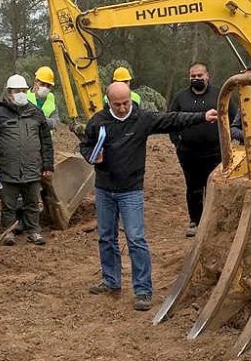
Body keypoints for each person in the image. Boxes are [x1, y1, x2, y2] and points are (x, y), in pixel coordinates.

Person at [81, 81, 218, 311]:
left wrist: (203, 116)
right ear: (109, 102)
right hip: (104, 188)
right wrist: (91, 156)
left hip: (131, 190)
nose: (123, 108)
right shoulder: (98, 121)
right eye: (117, 104)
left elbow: (173, 119)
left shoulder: (141, 119)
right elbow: (85, 145)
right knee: (106, 237)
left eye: (126, 103)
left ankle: (143, 290)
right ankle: (111, 281)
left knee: (135, 239)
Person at [0, 75, 54, 246]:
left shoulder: (36, 112)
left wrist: (48, 165)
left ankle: (33, 231)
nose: (21, 94)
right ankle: (8, 232)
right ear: (9, 92)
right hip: (7, 169)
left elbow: (46, 141)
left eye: (23, 90)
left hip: (32, 167)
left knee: (32, 202)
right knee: (9, 204)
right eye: (17, 91)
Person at [168, 62, 234, 237]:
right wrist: (177, 142)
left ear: (207, 76)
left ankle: (213, 222)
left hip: (215, 151)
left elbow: (232, 117)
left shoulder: (220, 94)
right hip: (189, 152)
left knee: (213, 187)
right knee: (193, 187)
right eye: (193, 76)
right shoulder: (180, 97)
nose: (196, 79)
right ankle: (195, 221)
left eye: (199, 76)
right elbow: (171, 120)